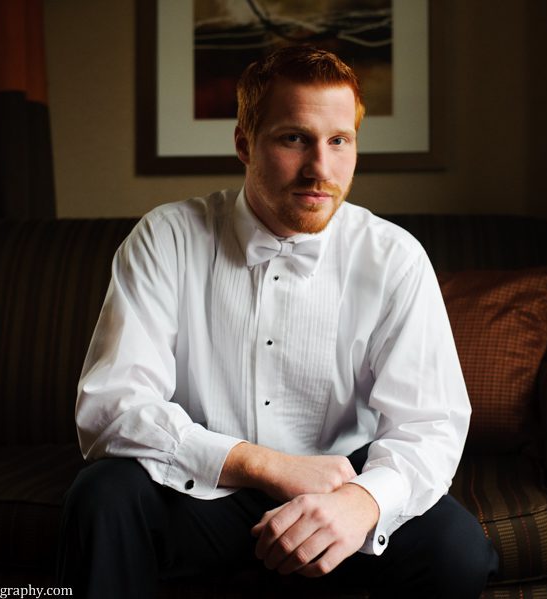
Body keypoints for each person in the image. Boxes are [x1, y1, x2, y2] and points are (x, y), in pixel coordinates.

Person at [57, 45, 498, 598]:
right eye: (294, 138)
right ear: (244, 142)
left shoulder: (395, 257)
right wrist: (266, 466)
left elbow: (430, 424)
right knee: (104, 496)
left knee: (456, 548)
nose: (320, 168)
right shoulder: (166, 237)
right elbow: (110, 408)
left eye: (339, 141)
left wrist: (360, 503)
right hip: (203, 488)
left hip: (340, 485)